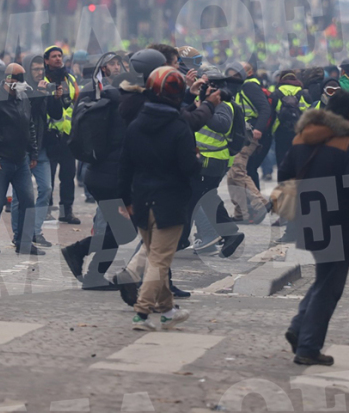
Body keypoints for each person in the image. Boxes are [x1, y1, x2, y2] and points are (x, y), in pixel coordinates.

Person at [280, 91, 349, 365]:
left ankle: (299, 327)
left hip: (309, 218)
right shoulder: (348, 143)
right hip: (339, 222)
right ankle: (308, 347)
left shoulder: (302, 136)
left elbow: (285, 175)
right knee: (330, 286)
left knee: (324, 278)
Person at [119, 66, 197, 331]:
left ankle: (167, 310)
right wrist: (198, 162)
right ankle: (142, 313)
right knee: (159, 261)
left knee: (155, 257)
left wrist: (126, 200)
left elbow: (125, 166)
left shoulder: (136, 125)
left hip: (141, 200)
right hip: (171, 203)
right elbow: (189, 168)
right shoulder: (179, 127)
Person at [61, 55, 134, 290]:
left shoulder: (110, 97)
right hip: (110, 175)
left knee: (120, 230)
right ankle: (80, 255)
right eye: (114, 64)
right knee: (121, 230)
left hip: (101, 173)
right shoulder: (119, 102)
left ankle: (89, 269)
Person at [0, 64, 42, 256]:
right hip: (0, 161)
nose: (20, 84)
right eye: (17, 80)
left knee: (28, 200)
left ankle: (24, 242)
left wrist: (34, 153)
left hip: (21, 159)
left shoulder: (22, 98)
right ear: (8, 80)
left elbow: (30, 126)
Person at [189, 68, 245, 258]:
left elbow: (222, 125)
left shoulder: (223, 104)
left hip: (211, 160)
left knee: (199, 197)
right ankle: (228, 235)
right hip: (206, 158)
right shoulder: (208, 102)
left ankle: (225, 234)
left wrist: (203, 109)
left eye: (205, 84)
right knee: (205, 197)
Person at [10, 55, 62, 249]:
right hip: (23, 149)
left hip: (40, 148)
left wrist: (55, 98)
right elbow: (27, 115)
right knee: (19, 195)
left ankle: (35, 231)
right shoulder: (22, 91)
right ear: (27, 70)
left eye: (42, 69)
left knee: (46, 188)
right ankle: (18, 234)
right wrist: (40, 95)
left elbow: (55, 114)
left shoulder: (44, 87)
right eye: (36, 69)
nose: (40, 72)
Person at [224, 62, 272, 223]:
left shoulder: (249, 87)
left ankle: (261, 203)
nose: (233, 77)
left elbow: (265, 108)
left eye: (236, 74)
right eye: (230, 73)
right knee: (232, 176)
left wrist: (259, 129)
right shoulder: (231, 88)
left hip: (249, 134)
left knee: (237, 171)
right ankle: (241, 213)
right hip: (237, 134)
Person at [43, 46, 81, 225]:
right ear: (46, 61)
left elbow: (77, 103)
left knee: (68, 176)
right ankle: (47, 210)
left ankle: (67, 212)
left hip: (68, 136)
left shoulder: (70, 78)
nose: (58, 59)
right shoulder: (41, 80)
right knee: (47, 177)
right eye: (54, 56)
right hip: (50, 136)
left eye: (60, 56)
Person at [271, 70, 309, 170]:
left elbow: (270, 113)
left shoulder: (276, 93)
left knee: (282, 160)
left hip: (280, 131)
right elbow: (310, 112)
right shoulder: (303, 93)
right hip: (300, 131)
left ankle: (284, 183)